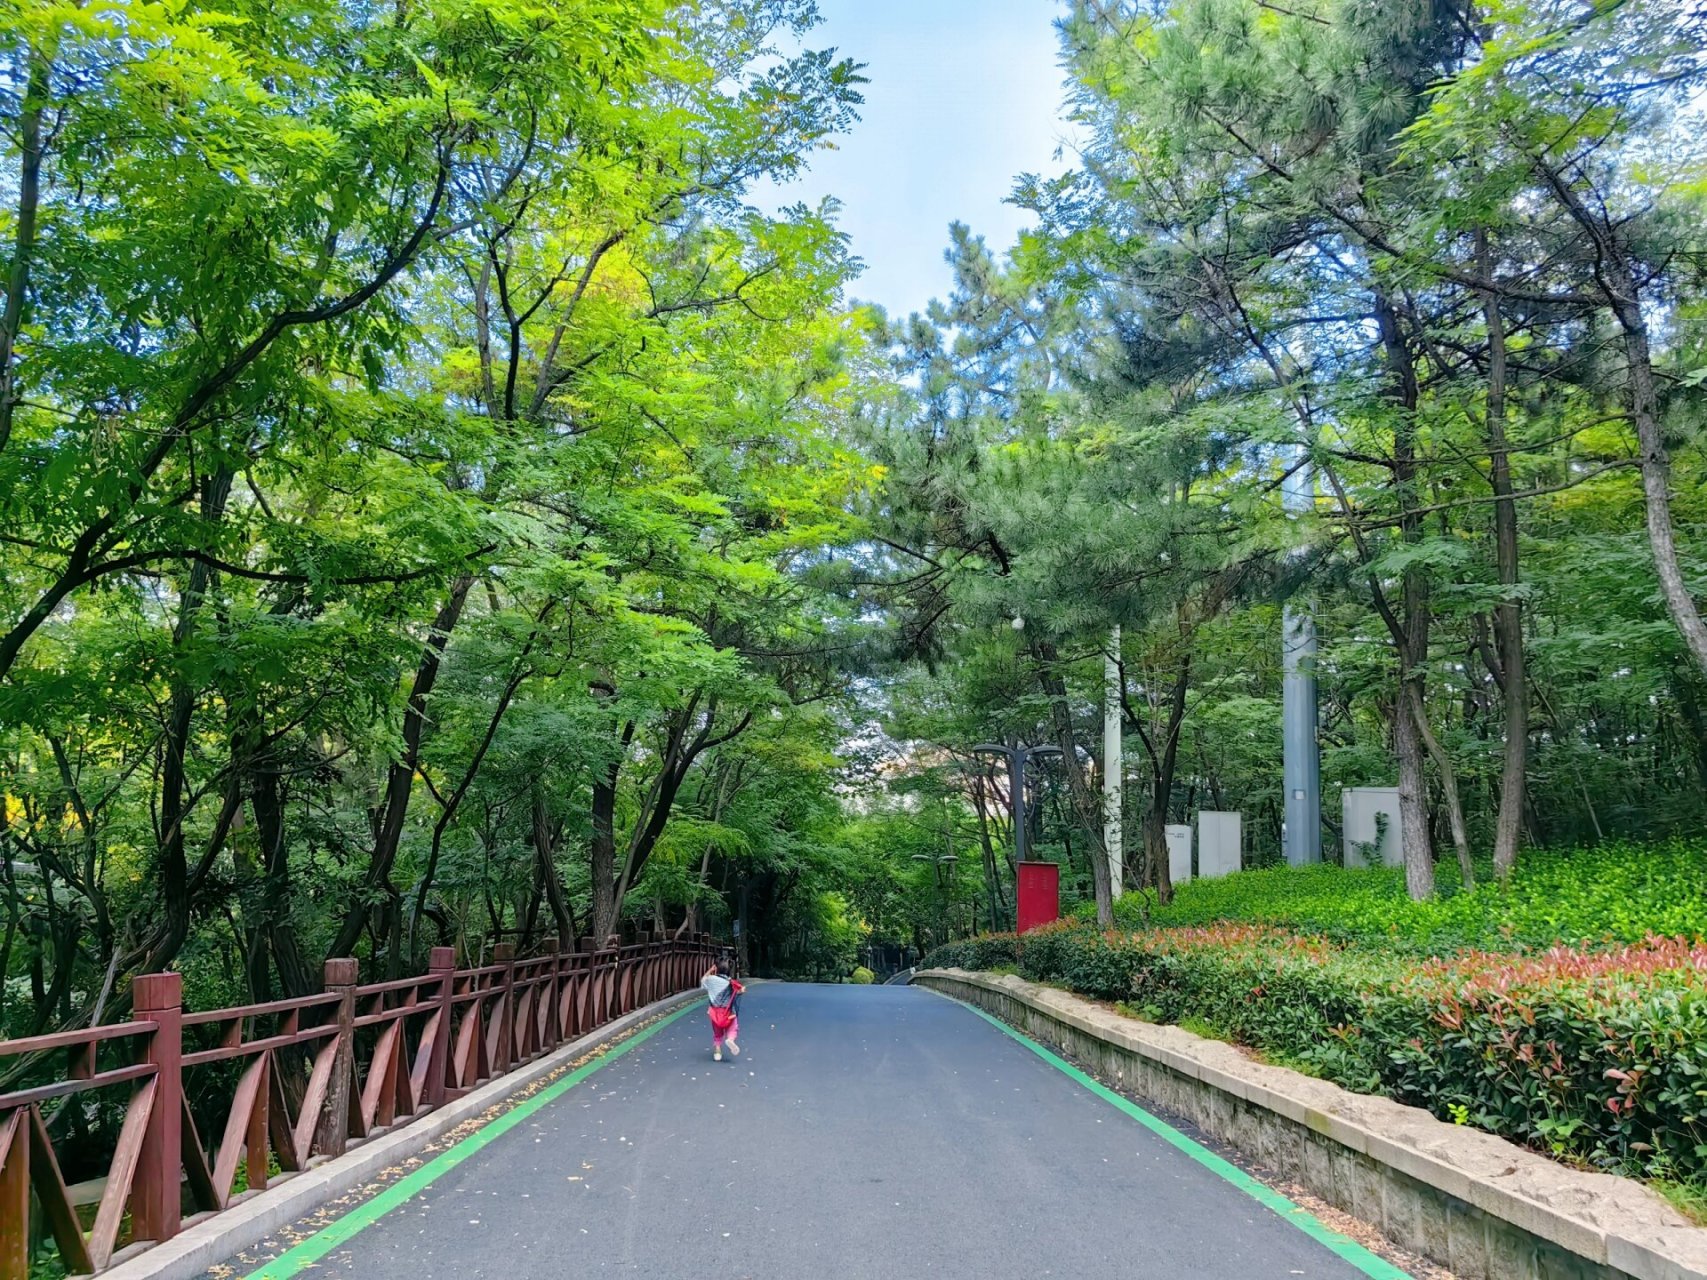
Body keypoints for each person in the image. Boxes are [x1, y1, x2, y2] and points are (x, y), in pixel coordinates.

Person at [701, 962, 743, 1061]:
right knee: (733, 1029)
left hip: (714, 1013)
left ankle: (717, 1053)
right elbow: (740, 991)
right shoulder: (731, 982)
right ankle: (730, 1039)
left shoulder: (710, 980)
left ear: (716, 969)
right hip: (729, 1013)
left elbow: (703, 981)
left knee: (717, 1034)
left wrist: (710, 971)